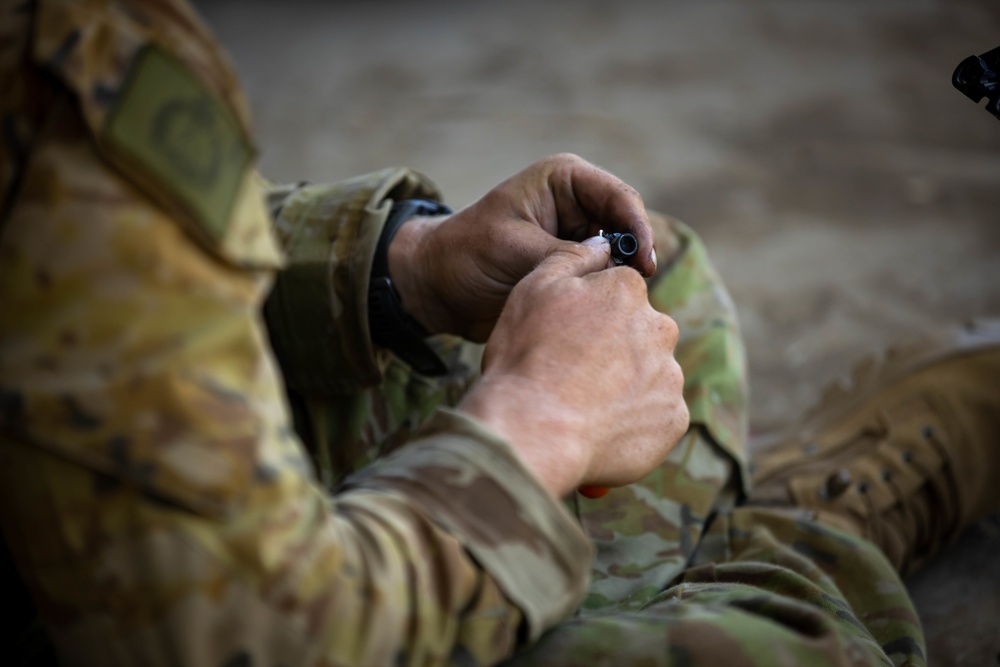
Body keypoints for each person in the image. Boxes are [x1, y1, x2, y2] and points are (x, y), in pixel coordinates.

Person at [0, 1, 997, 666]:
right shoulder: (67, 62)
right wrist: (538, 418)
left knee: (662, 298)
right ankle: (819, 541)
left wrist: (397, 268)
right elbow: (244, 635)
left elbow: (76, 266)